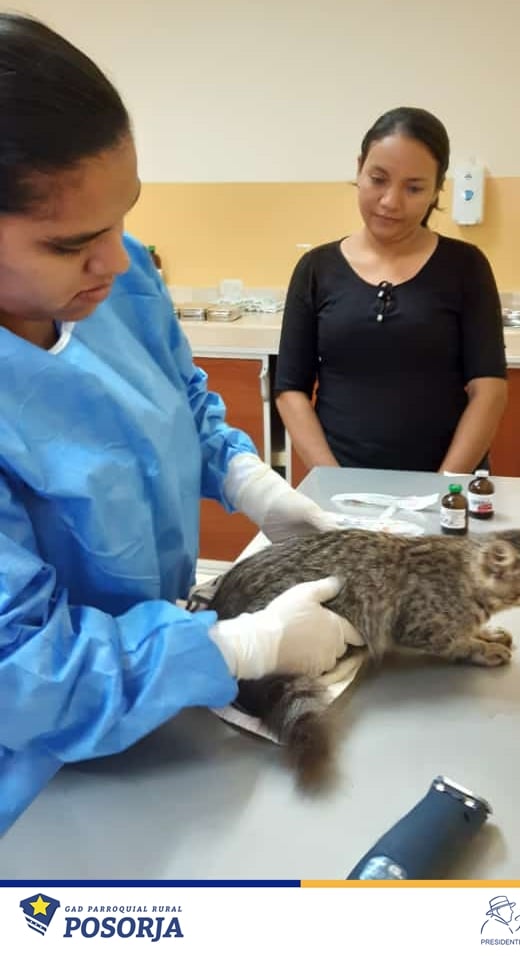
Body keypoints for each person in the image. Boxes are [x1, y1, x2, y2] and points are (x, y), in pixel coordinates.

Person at [0, 14, 362, 834]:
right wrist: (236, 649)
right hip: (41, 784)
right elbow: (24, 674)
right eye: (71, 243)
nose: (115, 259)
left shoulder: (115, 280)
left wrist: (249, 480)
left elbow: (178, 402)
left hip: (158, 713)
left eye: (123, 215)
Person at [275, 107, 508, 474]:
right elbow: (290, 389)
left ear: (437, 189)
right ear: (359, 169)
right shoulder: (316, 269)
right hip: (341, 483)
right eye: (378, 179)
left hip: (445, 485)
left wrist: (444, 486)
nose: (390, 202)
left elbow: (489, 388)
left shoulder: (466, 266)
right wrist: (332, 482)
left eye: (414, 188)